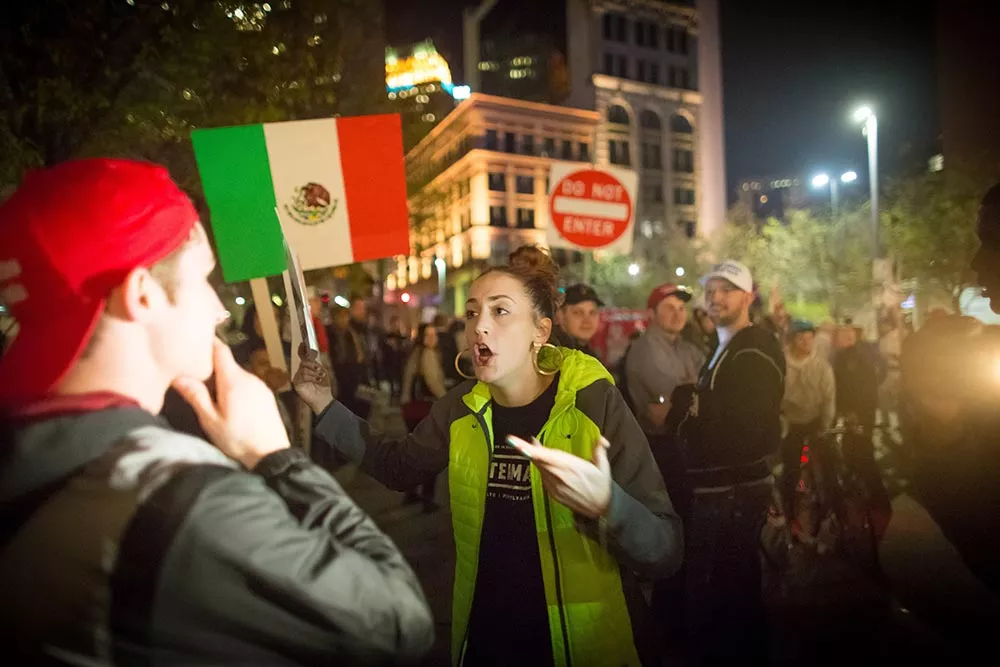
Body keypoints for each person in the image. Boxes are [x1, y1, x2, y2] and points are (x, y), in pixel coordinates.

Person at [0, 158, 433, 664]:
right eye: (203, 279)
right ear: (141, 295)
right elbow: (400, 622)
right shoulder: (183, 501)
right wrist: (275, 457)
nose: (218, 308)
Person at [295, 245, 684, 666]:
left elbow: (665, 549)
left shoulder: (593, 401)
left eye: (500, 311)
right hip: (486, 641)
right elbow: (396, 465)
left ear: (541, 329)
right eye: (472, 312)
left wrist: (610, 505)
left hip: (585, 647)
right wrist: (322, 403)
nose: (480, 326)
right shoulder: (460, 407)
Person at [674, 260, 785, 665]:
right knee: (730, 592)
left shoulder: (754, 348)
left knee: (727, 595)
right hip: (718, 488)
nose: (716, 297)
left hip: (734, 491)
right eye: (712, 290)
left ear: (748, 297)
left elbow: (754, 428)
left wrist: (694, 420)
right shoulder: (725, 345)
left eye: (727, 289)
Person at [779, 320, 836, 524]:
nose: (806, 342)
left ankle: (832, 508)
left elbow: (829, 398)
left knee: (828, 464)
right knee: (791, 467)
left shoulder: (821, 366)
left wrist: (825, 426)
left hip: (815, 421)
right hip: (790, 423)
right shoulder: (782, 364)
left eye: (810, 338)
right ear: (793, 340)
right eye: (801, 338)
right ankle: (788, 512)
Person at [400, 323, 447, 512]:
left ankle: (410, 492)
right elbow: (432, 381)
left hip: (410, 409)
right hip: (423, 409)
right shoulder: (428, 354)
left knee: (415, 453)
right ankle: (428, 499)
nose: (432, 338)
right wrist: (447, 399)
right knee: (431, 455)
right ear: (421, 337)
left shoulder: (415, 353)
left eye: (434, 334)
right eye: (428, 334)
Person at [328, 305, 372, 419]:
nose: (343, 320)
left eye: (345, 316)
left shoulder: (352, 333)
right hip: (337, 375)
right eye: (340, 317)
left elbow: (359, 355)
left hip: (352, 375)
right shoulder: (329, 333)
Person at [552, 283, 603, 357]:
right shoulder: (556, 356)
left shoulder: (588, 354)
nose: (587, 321)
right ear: (560, 316)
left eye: (592, 313)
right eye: (578, 313)